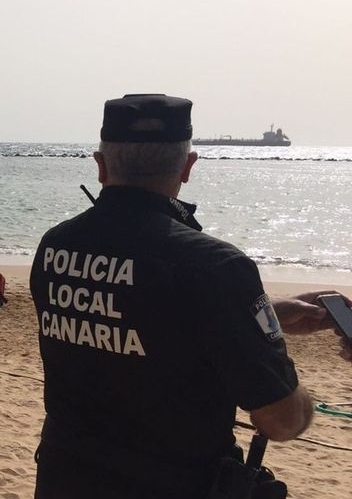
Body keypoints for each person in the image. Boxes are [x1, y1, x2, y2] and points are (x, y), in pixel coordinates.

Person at [30, 94, 352, 499]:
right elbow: (280, 421)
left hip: (66, 478)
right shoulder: (215, 267)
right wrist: (275, 355)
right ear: (187, 167)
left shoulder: (56, 247)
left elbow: (131, 316)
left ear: (100, 166)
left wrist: (263, 313)